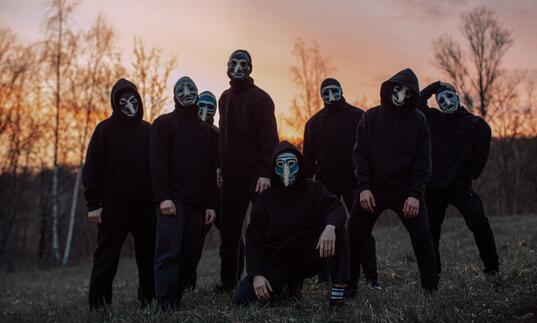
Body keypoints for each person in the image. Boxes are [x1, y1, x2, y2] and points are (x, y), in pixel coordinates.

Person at [348, 68, 438, 296]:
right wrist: (364, 187)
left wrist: (416, 194)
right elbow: (360, 154)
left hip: (406, 190)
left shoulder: (419, 121)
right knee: (354, 235)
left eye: (408, 92)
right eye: (398, 89)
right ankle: (348, 286)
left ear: (413, 96)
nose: (401, 95)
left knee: (423, 238)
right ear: (389, 89)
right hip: (373, 189)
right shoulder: (370, 117)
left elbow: (423, 160)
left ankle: (430, 289)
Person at [233, 141, 349, 307]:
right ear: (274, 167)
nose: (286, 169)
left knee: (338, 229)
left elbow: (335, 208)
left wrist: (330, 228)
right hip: (278, 261)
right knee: (242, 298)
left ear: (299, 164)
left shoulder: (313, 189)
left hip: (309, 254)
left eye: (291, 163)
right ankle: (289, 287)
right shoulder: (264, 199)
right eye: (281, 164)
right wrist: (256, 275)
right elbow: (253, 241)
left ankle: (337, 296)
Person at [84, 78, 155, 310]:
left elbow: (158, 166)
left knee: (147, 256)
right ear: (115, 103)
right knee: (107, 257)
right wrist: (93, 203)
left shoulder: (148, 130)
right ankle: (99, 305)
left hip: (145, 205)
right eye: (123, 100)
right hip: (113, 206)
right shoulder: (104, 130)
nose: (128, 104)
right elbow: (91, 167)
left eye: (133, 99)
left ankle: (148, 299)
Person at [304, 77, 380, 290]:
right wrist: (307, 188)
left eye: (334, 90)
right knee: (324, 228)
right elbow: (308, 161)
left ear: (341, 90)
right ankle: (323, 274)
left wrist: (369, 181)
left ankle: (372, 277)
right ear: (321, 96)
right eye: (326, 92)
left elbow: (370, 151)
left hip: (356, 183)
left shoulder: (358, 116)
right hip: (326, 185)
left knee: (363, 229)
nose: (331, 95)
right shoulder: (313, 123)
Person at [150, 76, 217, 310]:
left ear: (197, 94)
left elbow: (211, 171)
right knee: (168, 253)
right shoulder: (163, 124)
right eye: (182, 89)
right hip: (172, 201)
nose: (187, 92)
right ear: (175, 96)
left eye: (191, 88)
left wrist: (210, 205)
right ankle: (165, 303)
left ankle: (176, 296)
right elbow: (157, 164)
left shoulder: (208, 132)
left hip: (197, 203)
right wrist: (163, 197)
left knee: (190, 254)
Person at [419, 81, 499, 278]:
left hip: (459, 185)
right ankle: (433, 276)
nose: (446, 102)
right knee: (430, 231)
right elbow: (416, 102)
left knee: (479, 221)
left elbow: (480, 157)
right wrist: (436, 86)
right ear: (438, 104)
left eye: (449, 97)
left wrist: (465, 177)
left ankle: (492, 269)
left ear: (457, 97)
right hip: (433, 187)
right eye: (441, 100)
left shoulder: (476, 125)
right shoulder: (433, 119)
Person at [218, 49, 279, 290]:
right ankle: (228, 283)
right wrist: (218, 166)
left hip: (256, 177)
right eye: (235, 63)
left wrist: (266, 173)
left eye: (244, 64)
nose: (239, 67)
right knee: (229, 234)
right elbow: (222, 137)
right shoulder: (224, 98)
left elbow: (270, 140)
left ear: (250, 68)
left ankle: (270, 278)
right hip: (231, 177)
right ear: (228, 67)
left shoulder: (262, 99)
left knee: (265, 229)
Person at [186, 90, 222, 290]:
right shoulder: (186, 131)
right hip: (197, 196)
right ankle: (188, 282)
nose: (205, 111)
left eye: (210, 108)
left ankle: (230, 279)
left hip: (218, 195)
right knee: (193, 241)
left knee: (231, 237)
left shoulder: (218, 134)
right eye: (202, 106)